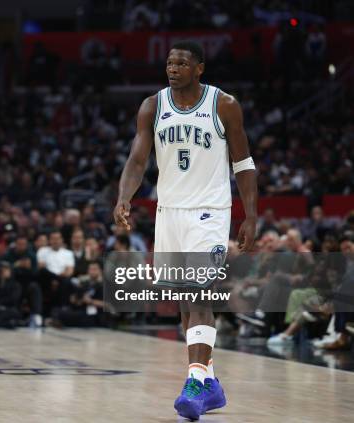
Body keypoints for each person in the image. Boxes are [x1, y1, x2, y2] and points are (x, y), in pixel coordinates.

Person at [114, 41, 257, 419]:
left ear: (199, 69)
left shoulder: (224, 104)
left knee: (198, 293)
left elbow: (243, 163)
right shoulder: (152, 106)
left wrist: (251, 215)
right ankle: (209, 383)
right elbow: (137, 158)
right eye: (169, 62)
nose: (172, 68)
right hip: (170, 212)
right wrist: (124, 197)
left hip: (210, 211)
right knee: (183, 298)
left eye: (181, 63)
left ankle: (193, 381)